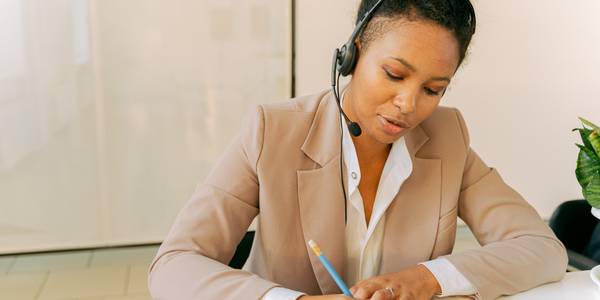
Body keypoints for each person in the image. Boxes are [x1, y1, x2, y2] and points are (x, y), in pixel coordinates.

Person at [148, 1, 568, 299]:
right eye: (394, 74)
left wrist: (426, 279)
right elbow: (174, 266)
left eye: (432, 89)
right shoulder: (271, 131)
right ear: (353, 53)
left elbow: (542, 248)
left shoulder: (447, 136)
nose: (408, 105)